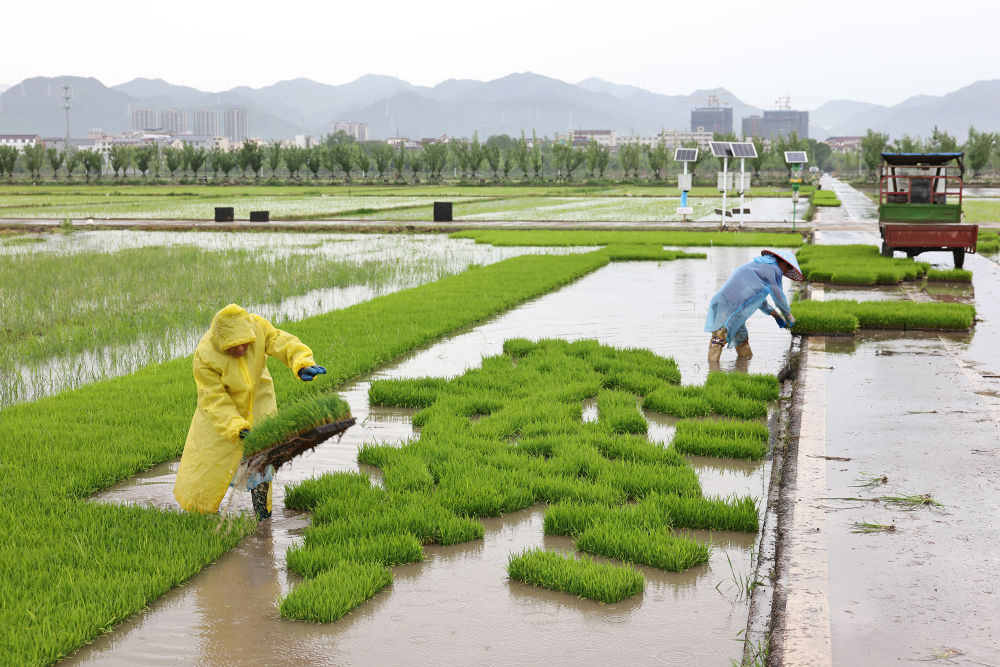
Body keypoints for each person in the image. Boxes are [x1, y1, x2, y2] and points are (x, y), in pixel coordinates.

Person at [173, 304, 326, 519]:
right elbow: (214, 399)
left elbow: (281, 341)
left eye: (245, 344)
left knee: (261, 463)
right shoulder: (205, 356)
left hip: (259, 406)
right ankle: (201, 516)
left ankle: (263, 519)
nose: (241, 350)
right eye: (233, 347)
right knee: (212, 471)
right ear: (221, 342)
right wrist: (236, 426)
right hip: (222, 421)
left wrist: (301, 363)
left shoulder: (257, 327)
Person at [704, 249, 804, 362]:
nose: (785, 272)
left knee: (741, 338)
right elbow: (778, 296)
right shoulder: (773, 269)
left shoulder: (760, 267)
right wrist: (789, 315)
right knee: (719, 337)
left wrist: (775, 314)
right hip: (729, 305)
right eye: (788, 268)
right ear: (784, 263)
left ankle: (743, 366)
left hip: (732, 305)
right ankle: (712, 371)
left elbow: (755, 298)